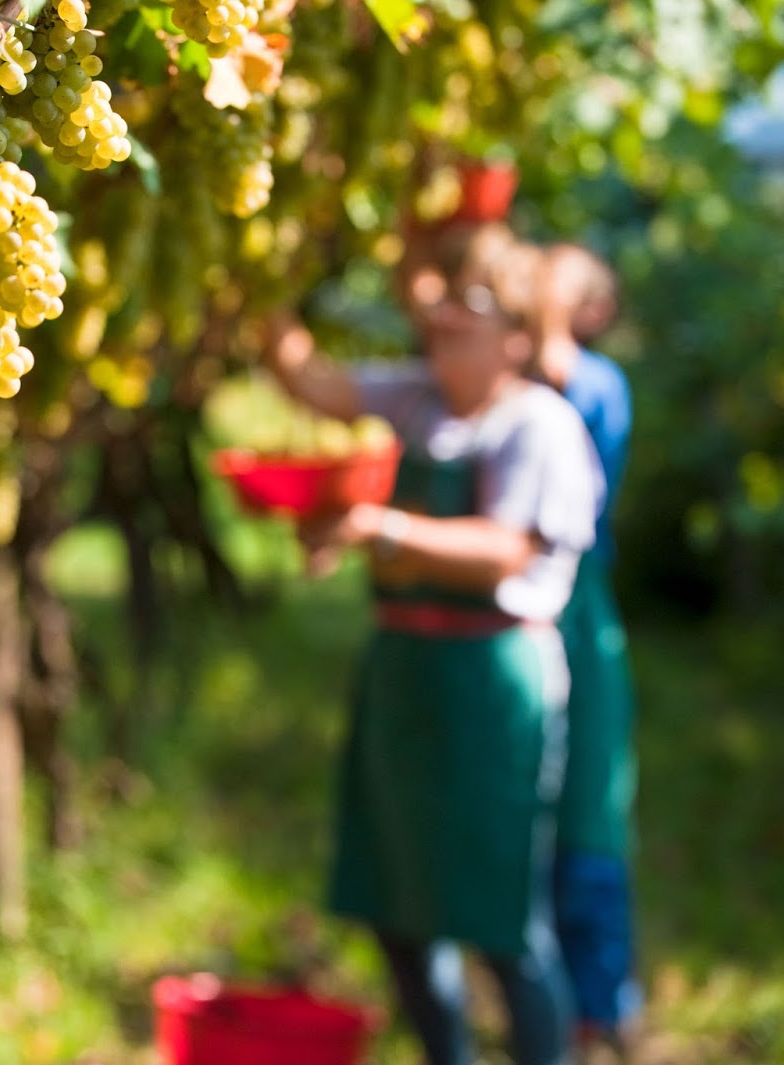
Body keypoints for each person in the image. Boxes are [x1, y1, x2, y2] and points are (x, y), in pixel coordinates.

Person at [266, 223, 602, 1065]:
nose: (447, 316)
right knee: (398, 903)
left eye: (473, 304)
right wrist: (262, 292)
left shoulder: (539, 425)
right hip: (404, 673)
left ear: (518, 335)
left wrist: (382, 529)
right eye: (446, 298)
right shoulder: (415, 396)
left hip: (493, 684)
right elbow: (318, 386)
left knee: (501, 919)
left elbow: (507, 550)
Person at [530, 243, 643, 1050]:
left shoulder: (597, 381)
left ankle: (598, 1005)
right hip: (514, 610)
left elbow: (555, 364)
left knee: (589, 809)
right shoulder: (511, 369)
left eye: (564, 282)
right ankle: (542, 1001)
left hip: (577, 608)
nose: (540, 283)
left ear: (594, 311)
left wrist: (537, 295)